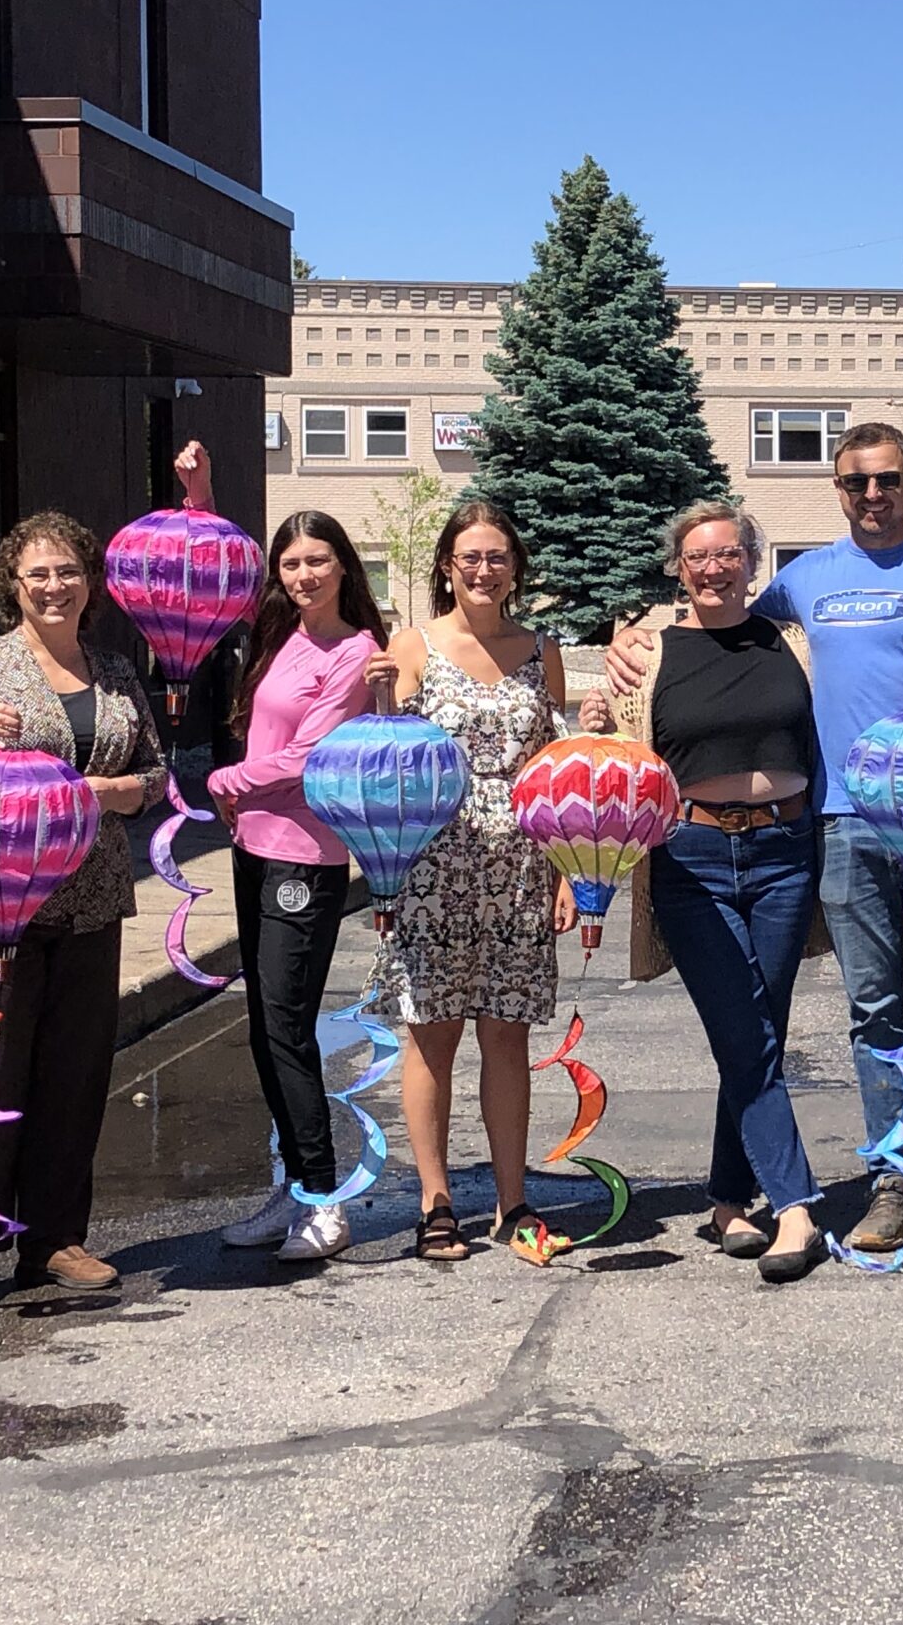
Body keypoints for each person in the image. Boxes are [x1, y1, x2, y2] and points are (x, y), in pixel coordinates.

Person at [605, 422, 903, 1270]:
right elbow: (712, 621)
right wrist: (630, 642)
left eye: (887, 480)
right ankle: (894, 1183)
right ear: (838, 489)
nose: (873, 495)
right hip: (838, 824)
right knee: (874, 1014)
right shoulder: (804, 581)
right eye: (855, 483)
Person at [0, 510, 167, 1315]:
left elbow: (155, 771)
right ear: (13, 586)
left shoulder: (116, 671)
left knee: (74, 1072)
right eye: (37, 575)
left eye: (68, 573)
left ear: (91, 584)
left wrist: (123, 792)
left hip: (87, 902)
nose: (54, 587)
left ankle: (53, 1235)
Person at [580, 505, 832, 1283]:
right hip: (689, 860)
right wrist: (594, 712)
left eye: (729, 553)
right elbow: (615, 762)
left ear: (754, 560)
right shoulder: (648, 655)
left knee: (756, 1031)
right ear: (678, 569)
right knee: (745, 1029)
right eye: (698, 556)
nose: (714, 567)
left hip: (787, 852)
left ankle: (728, 1199)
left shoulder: (793, 640)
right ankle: (794, 1206)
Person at [181, 442, 387, 1264]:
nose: (303, 575)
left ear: (345, 568)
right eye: (291, 563)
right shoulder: (280, 634)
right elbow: (203, 583)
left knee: (290, 1026)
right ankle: (293, 1184)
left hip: (306, 855)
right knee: (266, 1025)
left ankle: (324, 1200)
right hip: (253, 848)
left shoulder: (354, 652)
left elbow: (314, 756)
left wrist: (229, 777)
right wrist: (199, 497)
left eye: (318, 561)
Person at [364, 499, 577, 1261]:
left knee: (507, 1035)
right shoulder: (415, 644)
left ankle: (514, 1199)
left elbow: (551, 773)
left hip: (520, 867)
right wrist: (381, 694)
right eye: (469, 557)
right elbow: (387, 758)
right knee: (432, 1036)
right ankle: (436, 1199)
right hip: (432, 868)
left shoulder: (538, 651)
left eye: (496, 557)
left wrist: (564, 874)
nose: (483, 570)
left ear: (515, 566)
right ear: (447, 567)